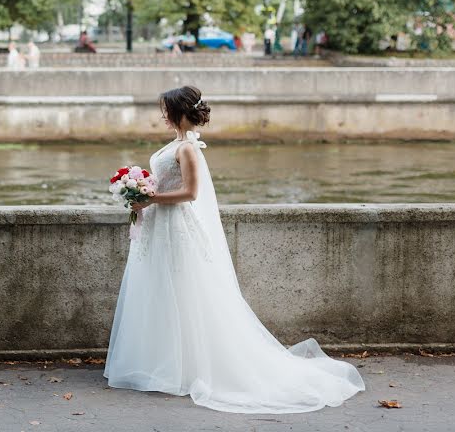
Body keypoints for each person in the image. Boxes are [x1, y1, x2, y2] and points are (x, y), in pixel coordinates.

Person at [105, 86, 364, 413]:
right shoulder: (176, 145)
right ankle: (164, 363)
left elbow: (190, 193)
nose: (162, 115)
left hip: (175, 227)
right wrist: (141, 191)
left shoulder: (187, 149)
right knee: (162, 291)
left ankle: (185, 367)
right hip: (160, 227)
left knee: (182, 292)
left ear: (179, 111)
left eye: (166, 110)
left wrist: (151, 197)